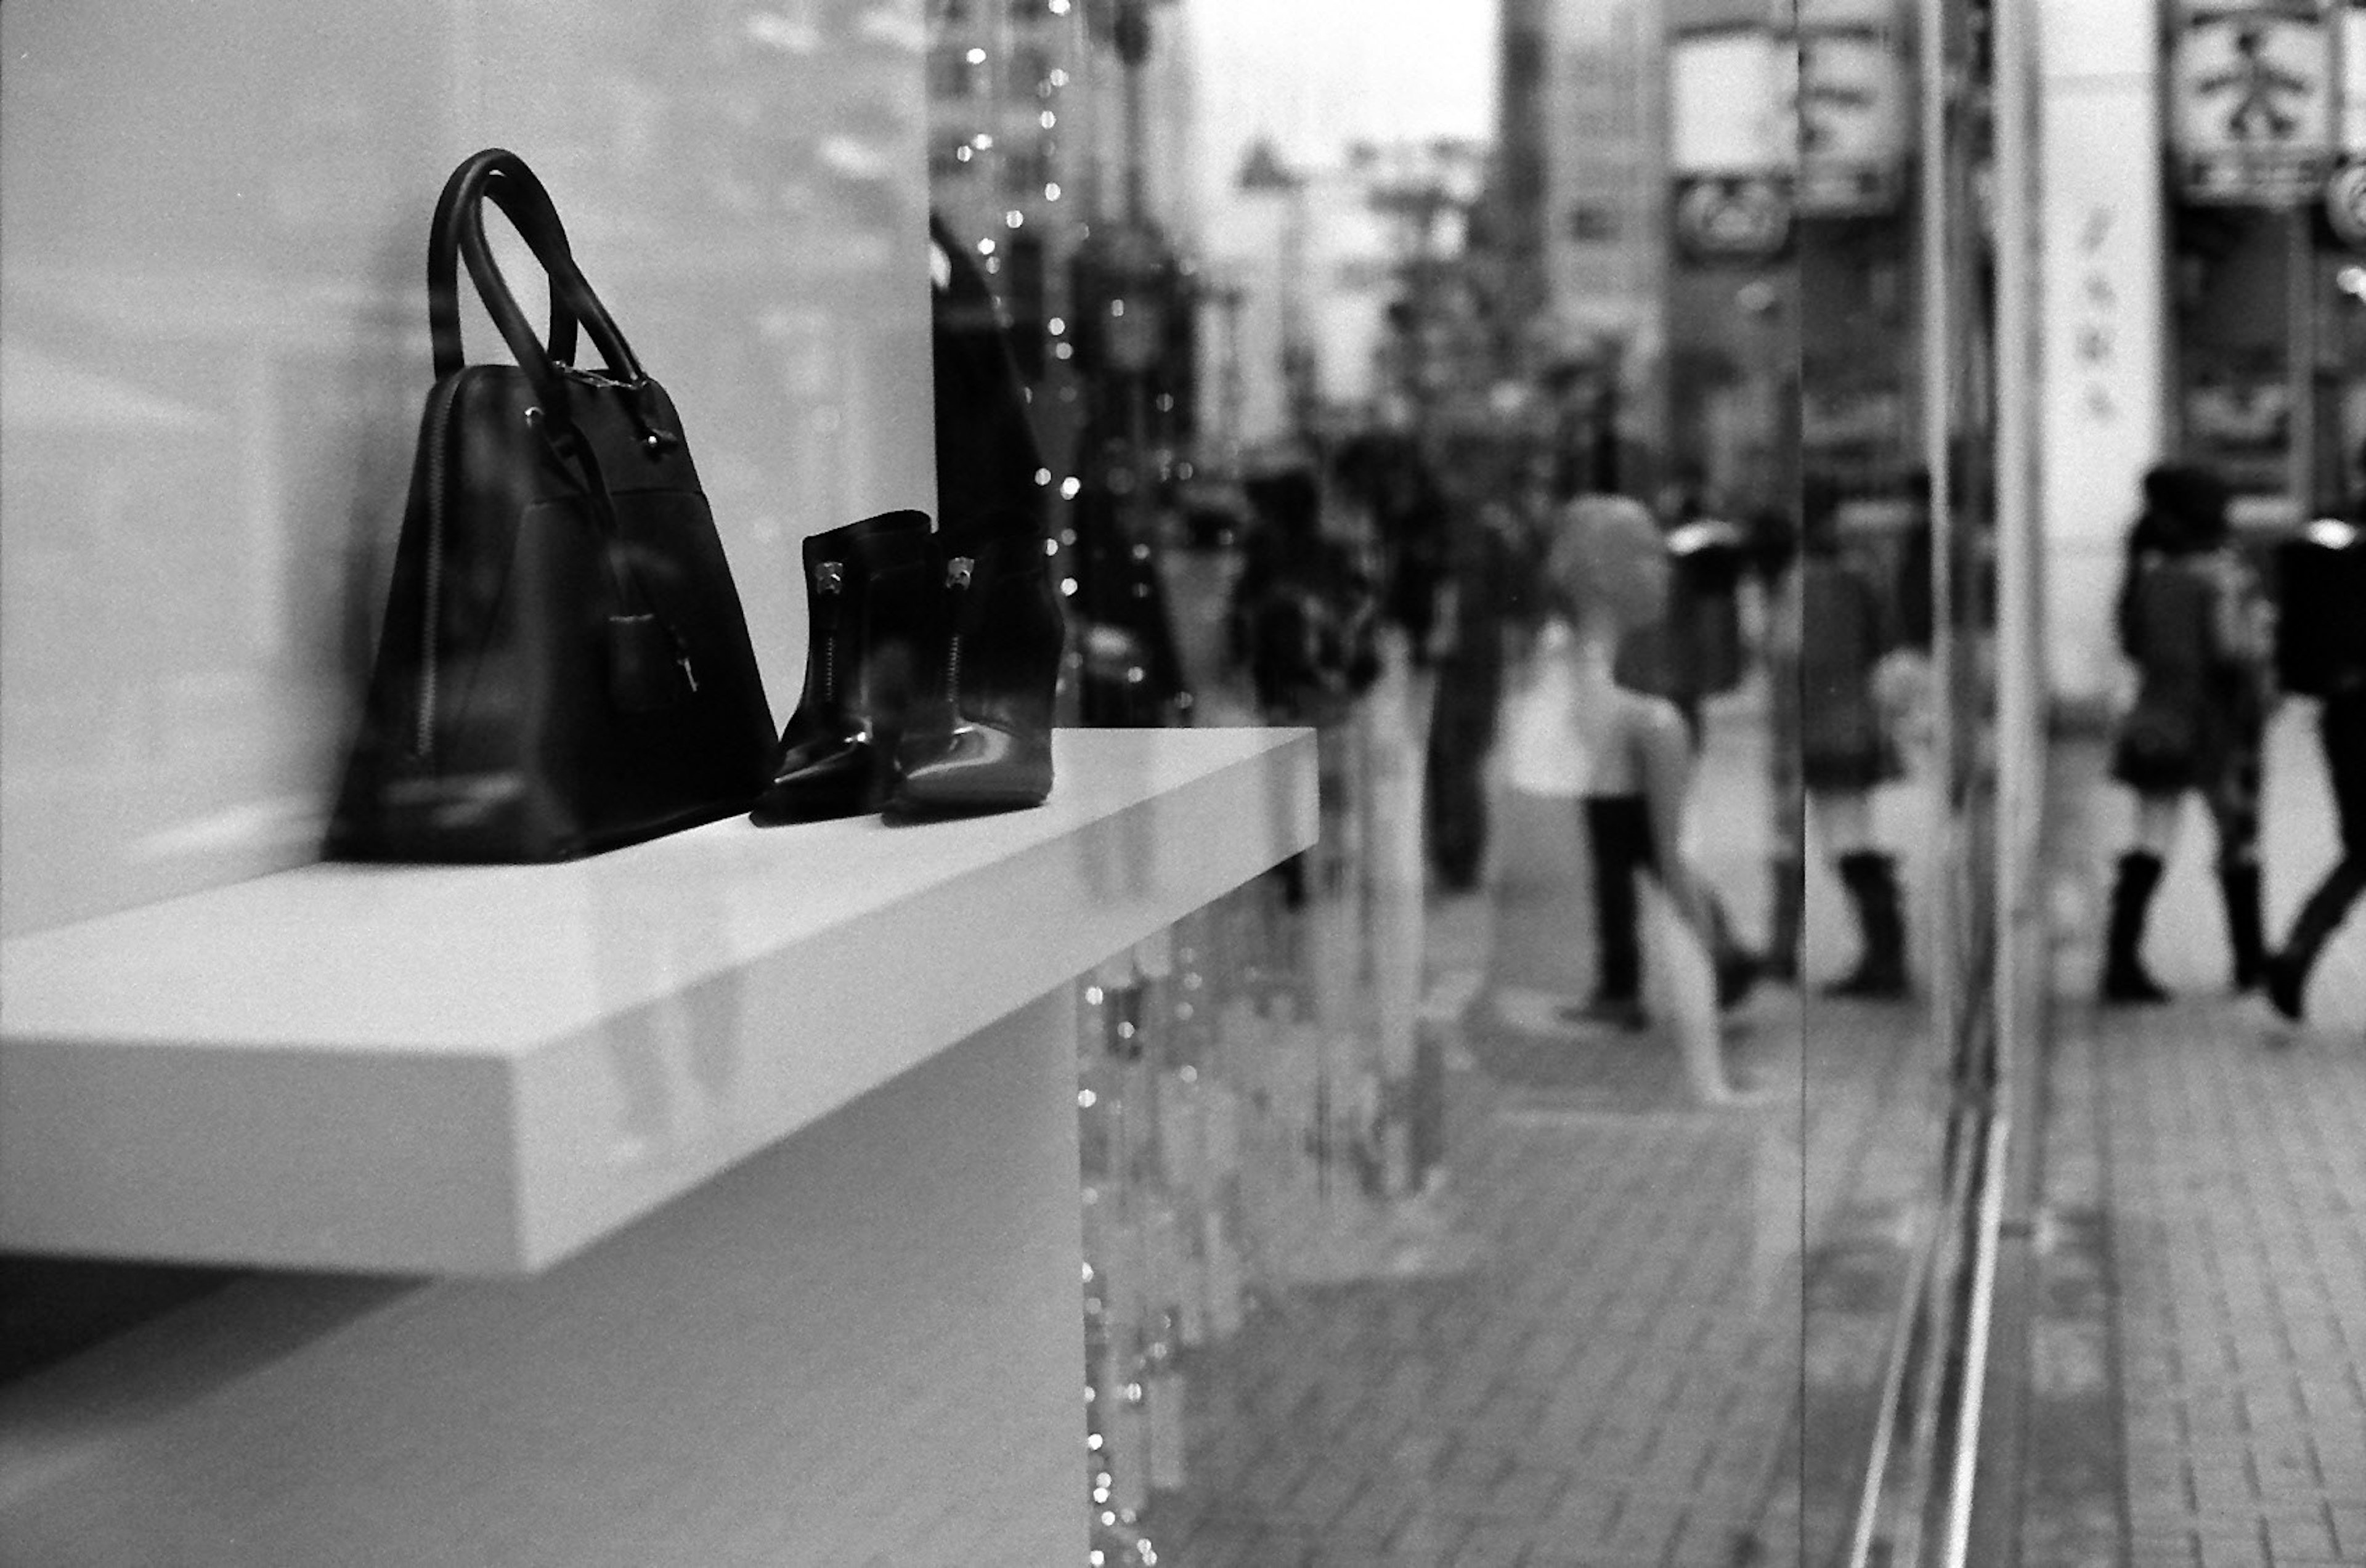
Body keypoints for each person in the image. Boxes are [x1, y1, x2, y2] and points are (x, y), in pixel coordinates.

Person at [1543, 494, 1761, 1103]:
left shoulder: (1635, 606)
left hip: (1628, 745)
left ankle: (1672, 971)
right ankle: (1712, 957)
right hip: (1631, 740)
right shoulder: (1658, 591)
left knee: (1638, 856)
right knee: (1647, 855)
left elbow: (1629, 682)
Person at [2101, 464, 2275, 1003]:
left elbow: (2133, 645)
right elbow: (2235, 654)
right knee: (2237, 842)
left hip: (2157, 720)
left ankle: (2122, 961)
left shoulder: (2150, 576)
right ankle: (2249, 961)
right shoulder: (2222, 575)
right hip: (2219, 725)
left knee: (2151, 837)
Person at [1787, 475, 1913, 997]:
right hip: (1853, 718)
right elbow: (1883, 641)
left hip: (1823, 722)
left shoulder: (1803, 583)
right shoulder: (1858, 572)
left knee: (1845, 838)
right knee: (1851, 834)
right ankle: (1885, 953)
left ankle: (1884, 960)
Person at [2261, 506, 2366, 1025]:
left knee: (2362, 848)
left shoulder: (2330, 536)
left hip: (2346, 717)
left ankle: (2300, 949)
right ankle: (2299, 950)